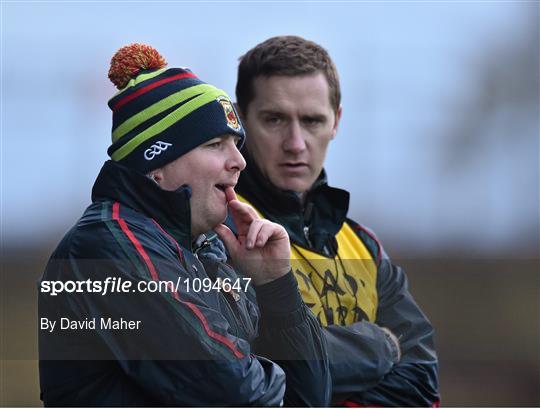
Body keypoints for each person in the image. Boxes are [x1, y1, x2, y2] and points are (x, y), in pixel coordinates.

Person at [38, 43, 330, 407]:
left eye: (236, 144)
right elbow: (235, 393)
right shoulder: (108, 245)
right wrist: (260, 366)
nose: (239, 160)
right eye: (214, 144)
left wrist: (276, 286)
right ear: (156, 163)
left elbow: (312, 398)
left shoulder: (209, 247)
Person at [227, 35, 440, 406]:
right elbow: (243, 373)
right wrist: (379, 347)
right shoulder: (220, 232)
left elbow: (423, 386)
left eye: (312, 121)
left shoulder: (363, 245)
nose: (295, 143)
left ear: (336, 121)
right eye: (274, 119)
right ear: (241, 119)